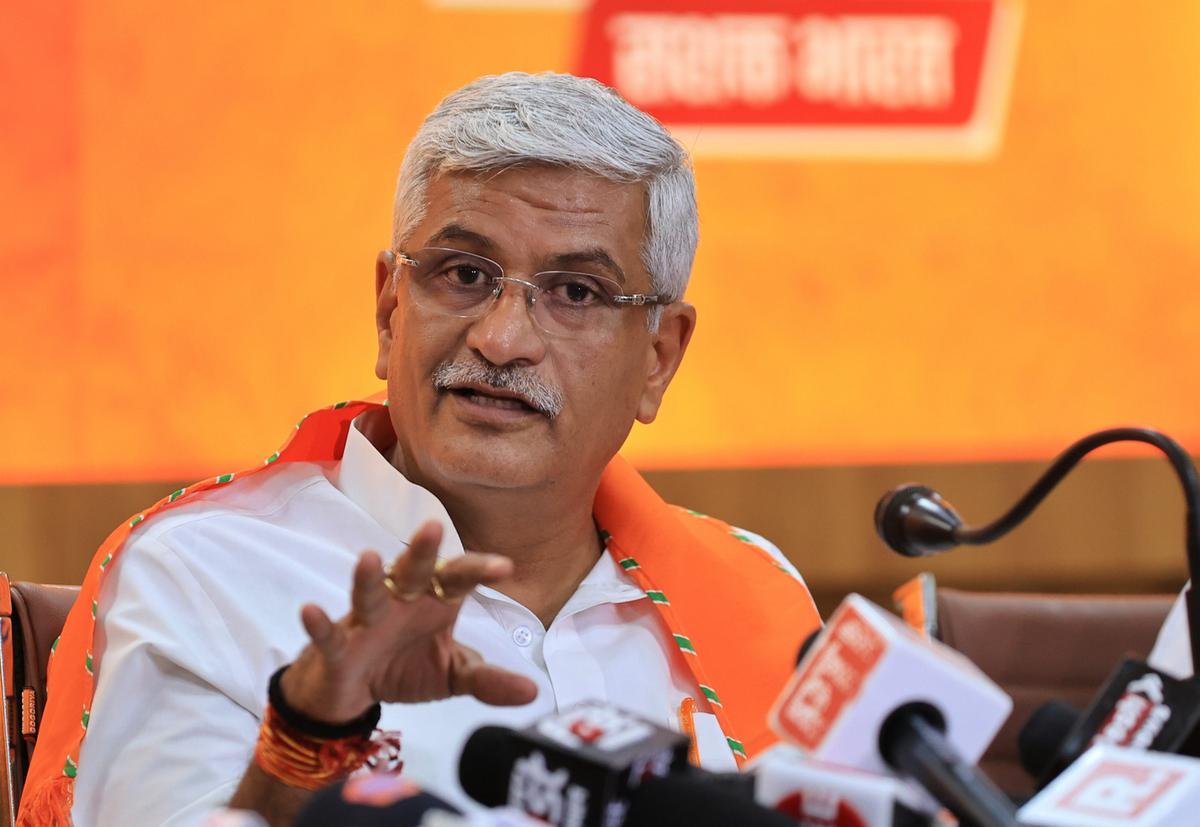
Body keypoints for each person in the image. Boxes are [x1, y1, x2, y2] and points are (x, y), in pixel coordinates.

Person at [20, 72, 822, 827]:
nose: (502, 338)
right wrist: (306, 732)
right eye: (463, 274)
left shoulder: (750, 594)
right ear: (389, 309)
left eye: (575, 292)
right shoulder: (205, 572)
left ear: (659, 358)